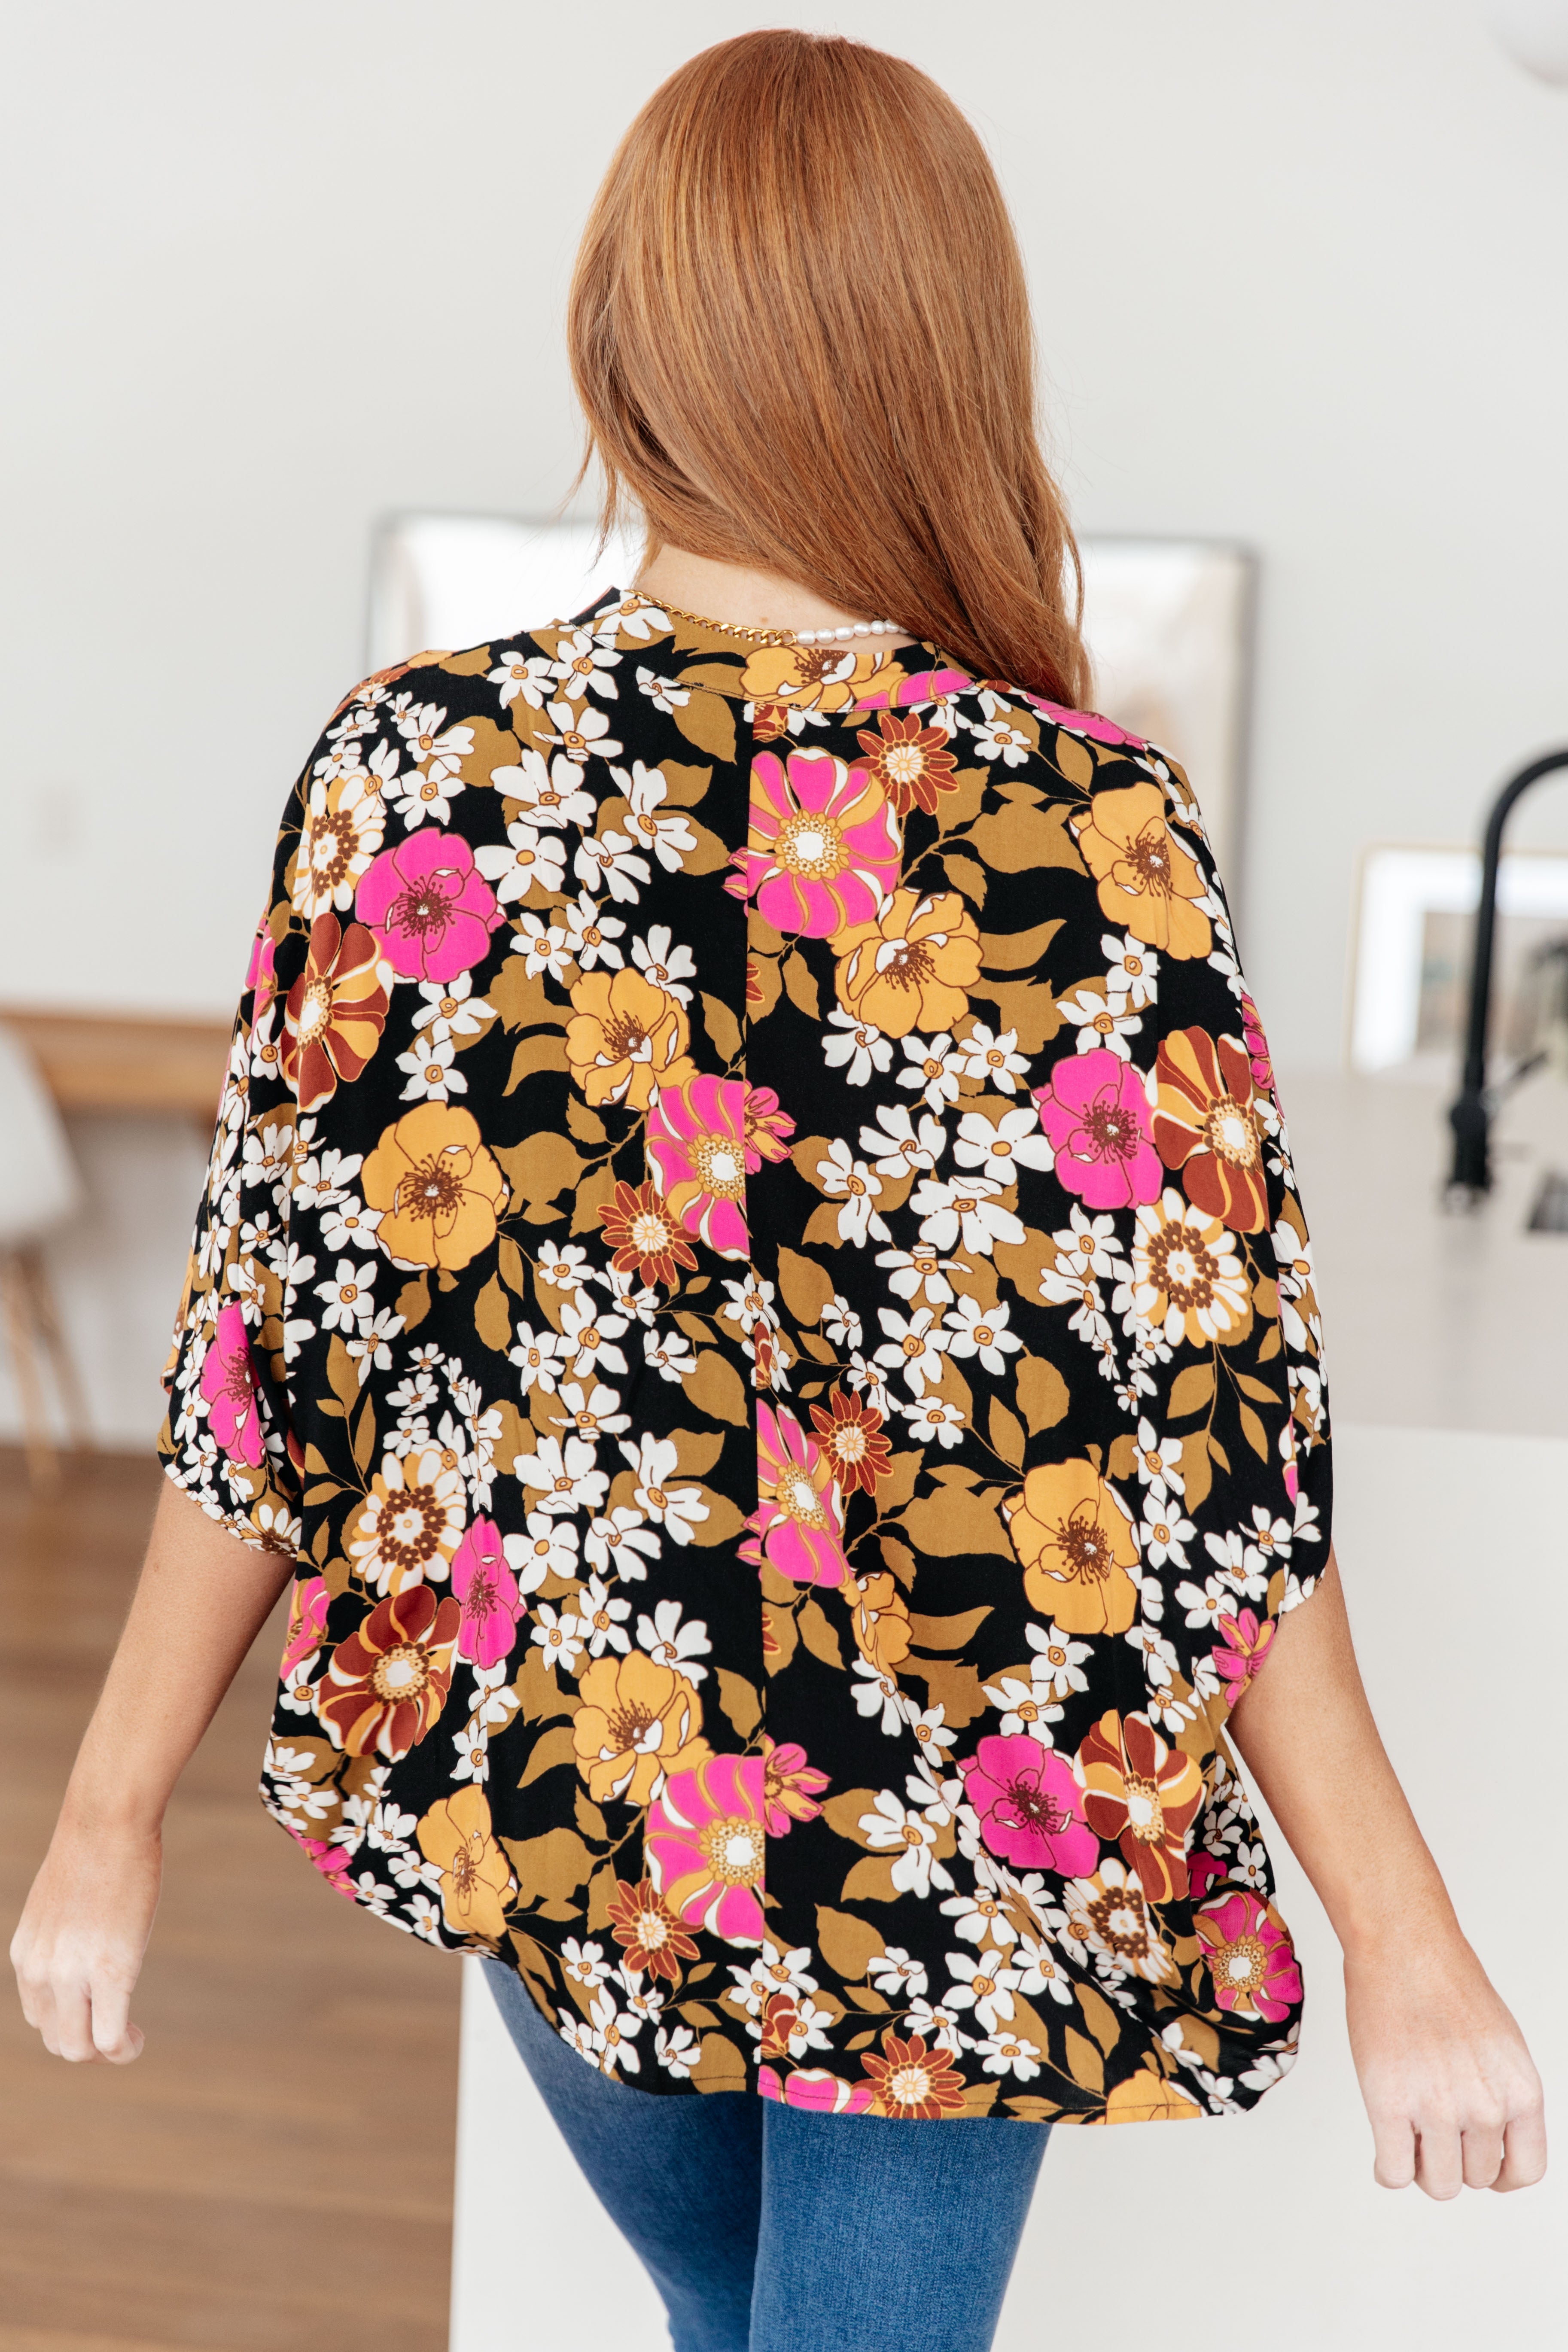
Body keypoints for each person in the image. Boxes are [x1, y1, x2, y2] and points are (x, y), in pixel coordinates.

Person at [10, 27, 1545, 2352]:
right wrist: (1401, 1934)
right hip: (966, 1821)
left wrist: (108, 1812)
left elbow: (267, 1367)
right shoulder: (1083, 831)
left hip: (569, 1788)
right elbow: (1213, 1452)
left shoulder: (415, 783)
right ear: (951, 355)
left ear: (615, 338)